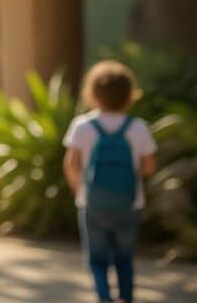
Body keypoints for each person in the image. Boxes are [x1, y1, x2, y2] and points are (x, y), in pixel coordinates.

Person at [63, 60, 157, 303]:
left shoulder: (82, 126)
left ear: (92, 94)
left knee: (97, 259)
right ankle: (126, 298)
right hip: (129, 204)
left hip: (91, 204)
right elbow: (149, 167)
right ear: (129, 95)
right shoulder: (138, 128)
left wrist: (79, 191)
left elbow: (71, 165)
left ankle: (104, 298)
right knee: (124, 259)